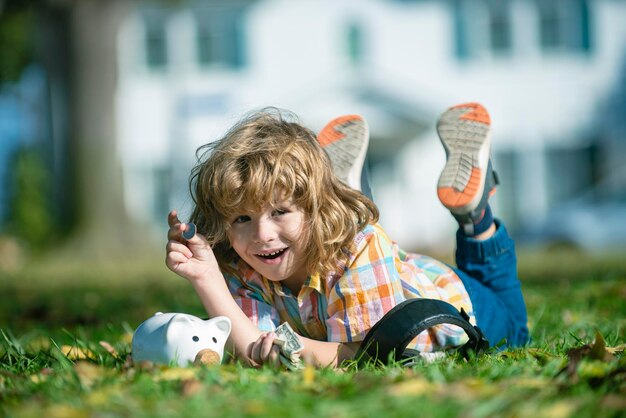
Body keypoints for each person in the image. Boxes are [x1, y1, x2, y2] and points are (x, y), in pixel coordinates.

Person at [165, 103, 529, 369]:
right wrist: (207, 276)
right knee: (352, 238)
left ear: (315, 207)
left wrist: (290, 350)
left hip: (460, 301)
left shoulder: (359, 248)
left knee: (515, 324)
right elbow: (254, 348)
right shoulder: (239, 261)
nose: (261, 234)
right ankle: (348, 196)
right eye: (242, 217)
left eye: (280, 211)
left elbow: (367, 357)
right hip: (386, 273)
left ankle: (474, 215)